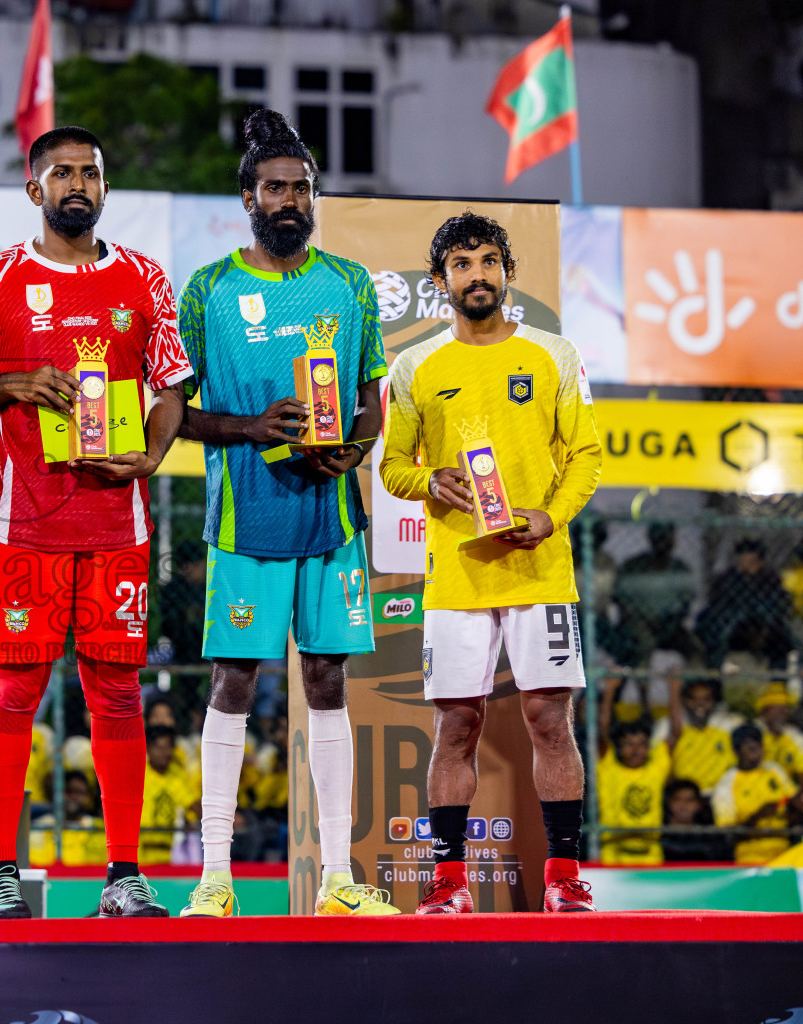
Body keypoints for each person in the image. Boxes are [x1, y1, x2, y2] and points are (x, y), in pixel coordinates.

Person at [0, 126, 192, 919]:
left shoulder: (143, 279)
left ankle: (123, 874)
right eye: (61, 172)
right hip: (23, 521)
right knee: (15, 687)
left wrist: (154, 454)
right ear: (35, 189)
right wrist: (22, 384)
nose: (77, 183)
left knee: (118, 693)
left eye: (90, 171)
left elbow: (169, 388)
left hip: (116, 519)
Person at [170, 110, 393, 918]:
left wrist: (353, 449)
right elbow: (172, 416)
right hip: (244, 524)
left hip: (331, 523)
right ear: (247, 198)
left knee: (328, 681)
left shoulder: (351, 283)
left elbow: (371, 404)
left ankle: (338, 877)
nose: (291, 200)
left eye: (302, 188)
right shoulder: (209, 290)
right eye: (275, 188)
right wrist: (250, 428)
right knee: (234, 681)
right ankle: (215, 877)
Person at [379, 211, 603, 914]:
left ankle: (563, 880)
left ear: (509, 270)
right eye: (461, 264)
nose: (476, 275)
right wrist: (429, 480)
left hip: (541, 570)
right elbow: (391, 467)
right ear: (441, 279)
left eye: (487, 261)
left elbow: (588, 457)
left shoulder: (554, 355)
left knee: (547, 719)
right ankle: (448, 887)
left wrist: (550, 515)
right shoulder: (415, 366)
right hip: (457, 576)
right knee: (457, 727)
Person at [698, 539, 797, 668]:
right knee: (715, 631)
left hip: (763, 625)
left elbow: (779, 606)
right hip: (732, 625)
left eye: (751, 562)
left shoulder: (770, 579)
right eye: (742, 561)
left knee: (782, 638)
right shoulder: (727, 579)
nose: (746, 566)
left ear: (760, 563)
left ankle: (778, 680)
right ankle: (714, 672)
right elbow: (717, 605)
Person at [711, 724, 801, 864]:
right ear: (736, 751)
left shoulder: (774, 770)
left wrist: (789, 807)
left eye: (757, 745)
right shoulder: (726, 784)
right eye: (749, 747)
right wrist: (757, 816)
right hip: (750, 858)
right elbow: (728, 835)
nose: (755, 751)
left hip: (785, 854)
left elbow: (790, 799)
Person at [611, 522, 698, 665]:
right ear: (651, 539)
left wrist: (671, 620)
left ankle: (692, 684)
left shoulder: (680, 569)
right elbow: (621, 600)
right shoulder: (633, 567)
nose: (663, 544)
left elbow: (685, 603)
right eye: (659, 538)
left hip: (669, 625)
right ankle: (644, 686)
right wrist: (639, 619)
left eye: (667, 539)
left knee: (694, 648)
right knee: (643, 645)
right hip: (639, 625)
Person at [596, 719, 669, 865]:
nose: (636, 750)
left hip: (651, 855)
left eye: (642, 744)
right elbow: (604, 733)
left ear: (649, 747)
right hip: (613, 855)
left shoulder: (656, 771)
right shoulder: (608, 770)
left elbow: (674, 735)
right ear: (618, 748)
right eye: (628, 744)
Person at [653, 679, 742, 795]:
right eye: (693, 699)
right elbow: (657, 763)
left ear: (714, 702)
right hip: (681, 798)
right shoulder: (666, 726)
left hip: (720, 796)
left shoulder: (730, 725)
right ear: (684, 701)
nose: (700, 704)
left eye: (706, 699)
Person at [139, 725, 201, 865]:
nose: (164, 753)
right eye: (159, 748)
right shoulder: (138, 774)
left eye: (168, 747)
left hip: (171, 853)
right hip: (139, 851)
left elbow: (192, 805)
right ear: (148, 748)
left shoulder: (177, 775)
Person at [661, 778, 730, 862]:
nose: (683, 805)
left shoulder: (709, 837)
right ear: (668, 802)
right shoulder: (658, 835)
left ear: (699, 804)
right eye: (677, 799)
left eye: (690, 800)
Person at [756, 684, 803, 782]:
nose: (782, 714)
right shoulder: (754, 735)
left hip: (785, 793)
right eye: (776, 710)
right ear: (764, 713)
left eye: (784, 709)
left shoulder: (794, 737)